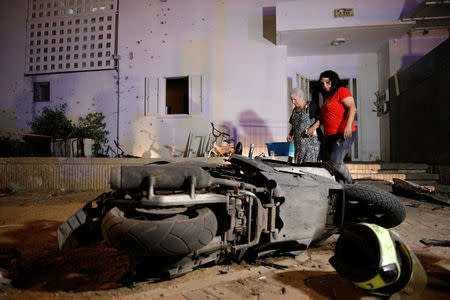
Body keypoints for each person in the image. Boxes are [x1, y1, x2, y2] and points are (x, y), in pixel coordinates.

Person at [307, 70, 357, 183]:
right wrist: (312, 128)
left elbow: (352, 107)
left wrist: (348, 126)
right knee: (335, 165)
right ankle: (341, 190)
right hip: (330, 136)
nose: (325, 85)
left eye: (327, 82)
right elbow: (323, 118)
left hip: (343, 133)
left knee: (335, 162)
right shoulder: (328, 98)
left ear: (333, 82)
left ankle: (352, 184)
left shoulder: (342, 91)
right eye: (322, 83)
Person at [287, 88, 321, 163]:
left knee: (309, 168)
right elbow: (295, 124)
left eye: (295, 99)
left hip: (311, 147)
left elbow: (321, 119)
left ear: (301, 98)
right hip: (299, 147)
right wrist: (290, 134)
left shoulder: (311, 106)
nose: (293, 102)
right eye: (291, 99)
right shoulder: (294, 110)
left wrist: (312, 128)